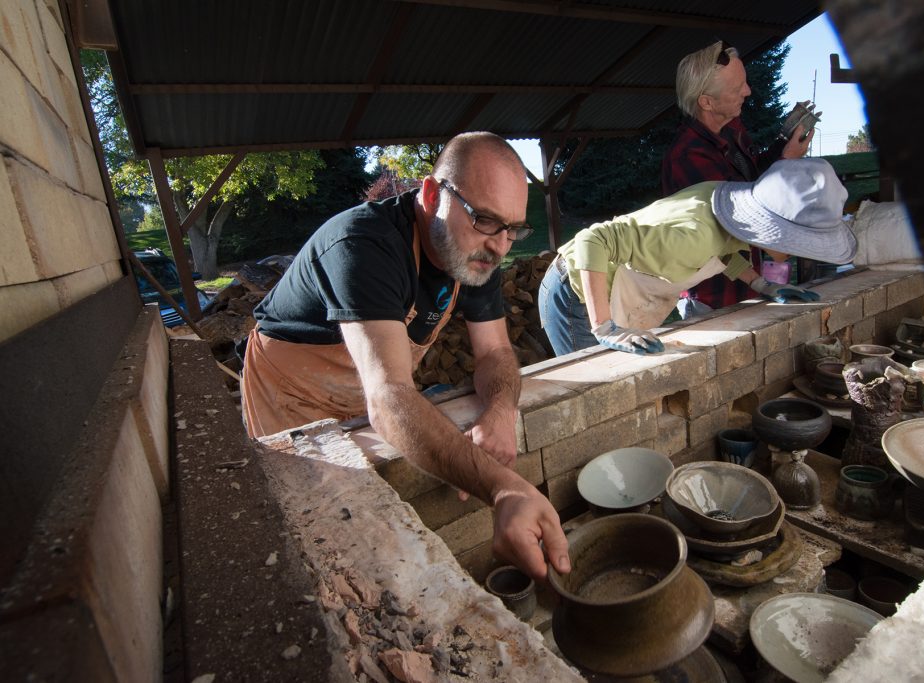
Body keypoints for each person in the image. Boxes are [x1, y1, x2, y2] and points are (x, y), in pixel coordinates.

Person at [240, 132, 570, 582]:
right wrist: (503, 488)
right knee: (310, 543)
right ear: (432, 194)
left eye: (514, 228)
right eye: (486, 220)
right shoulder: (364, 245)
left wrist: (499, 409)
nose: (501, 245)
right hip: (291, 396)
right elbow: (390, 396)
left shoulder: (480, 252)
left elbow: (494, 350)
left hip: (369, 390)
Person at [538, 158, 856, 356]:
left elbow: (720, 253)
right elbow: (591, 239)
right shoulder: (692, 236)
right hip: (575, 293)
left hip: (610, 288)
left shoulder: (728, 208)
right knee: (594, 388)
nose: (798, 254)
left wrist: (763, 285)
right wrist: (604, 327)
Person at [661, 39, 817, 315]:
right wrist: (787, 163)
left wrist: (784, 145)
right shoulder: (688, 157)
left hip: (749, 285)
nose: (748, 91)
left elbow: (754, 176)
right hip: (712, 296)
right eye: (737, 88)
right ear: (706, 102)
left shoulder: (732, 130)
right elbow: (733, 225)